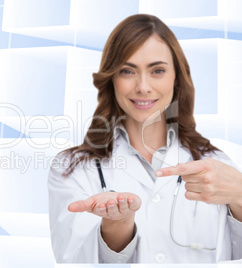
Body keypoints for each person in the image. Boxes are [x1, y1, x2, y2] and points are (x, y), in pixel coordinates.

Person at [47, 14, 242, 263]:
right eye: (128, 71)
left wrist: (240, 196)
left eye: (157, 70)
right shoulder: (72, 168)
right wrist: (117, 225)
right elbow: (72, 260)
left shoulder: (214, 162)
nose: (143, 86)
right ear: (112, 79)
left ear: (176, 78)